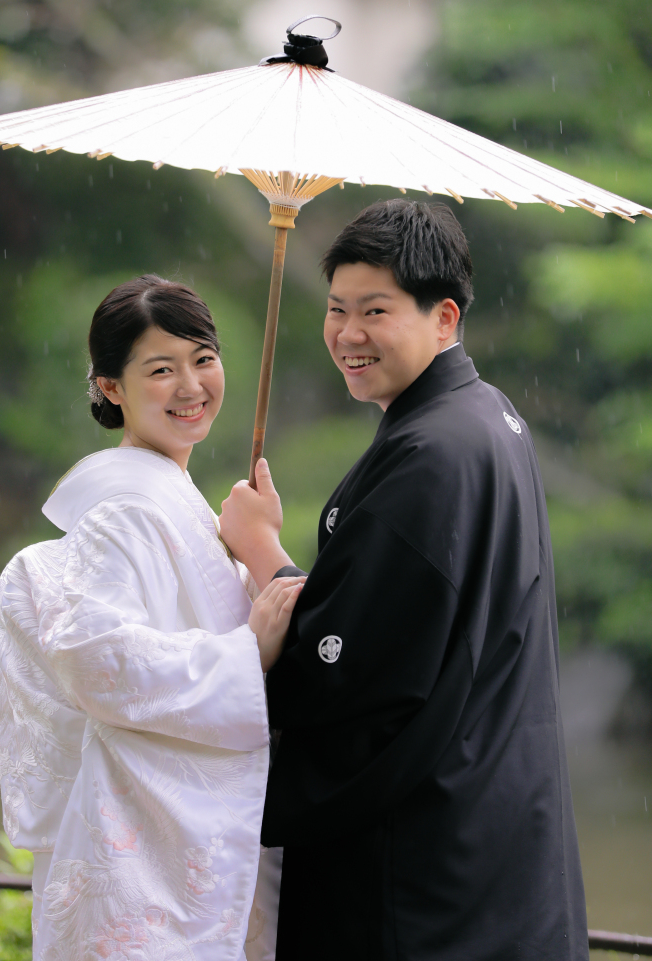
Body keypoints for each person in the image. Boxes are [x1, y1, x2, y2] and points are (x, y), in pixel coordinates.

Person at [220, 200, 589, 961]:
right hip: (496, 827)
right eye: (336, 311)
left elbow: (346, 666)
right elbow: (400, 620)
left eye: (375, 312)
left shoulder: (432, 456)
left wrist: (261, 553)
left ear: (444, 317)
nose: (348, 336)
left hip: (422, 868)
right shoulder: (487, 417)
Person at [0, 275, 302, 961]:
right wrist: (244, 651)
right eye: (161, 369)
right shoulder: (126, 507)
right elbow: (91, 654)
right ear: (110, 387)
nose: (191, 385)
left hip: (162, 844)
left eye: (203, 358)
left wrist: (251, 557)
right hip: (137, 855)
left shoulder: (172, 497)